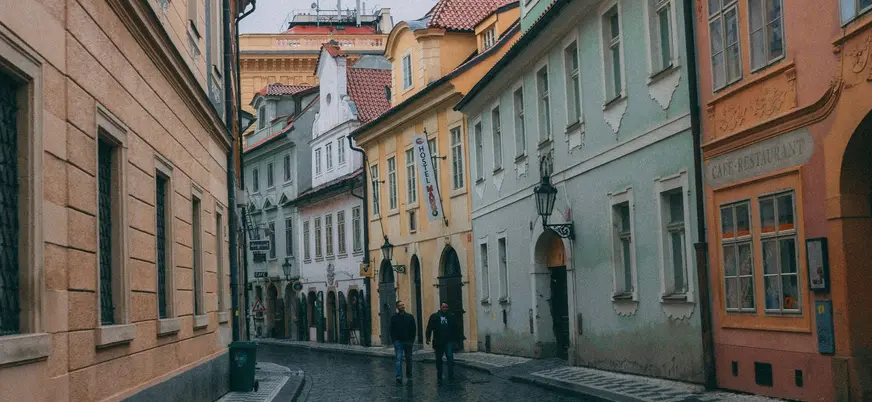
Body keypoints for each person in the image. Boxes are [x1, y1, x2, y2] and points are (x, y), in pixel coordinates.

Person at [426, 302, 464, 382]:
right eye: (443, 307)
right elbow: (429, 327)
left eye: (446, 307)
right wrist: (428, 337)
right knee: (439, 359)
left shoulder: (451, 316)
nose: (445, 308)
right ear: (440, 307)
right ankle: (439, 375)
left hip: (448, 341)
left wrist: (459, 338)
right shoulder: (435, 316)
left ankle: (451, 375)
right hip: (438, 341)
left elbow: (456, 328)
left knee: (450, 358)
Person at [390, 300, 416, 384]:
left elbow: (413, 329)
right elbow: (391, 330)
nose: (402, 306)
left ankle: (409, 375)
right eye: (400, 305)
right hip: (398, 341)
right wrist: (394, 340)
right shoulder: (394, 318)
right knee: (398, 358)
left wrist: (412, 340)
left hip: (408, 341)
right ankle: (399, 376)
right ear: (397, 307)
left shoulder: (410, 317)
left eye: (403, 305)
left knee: (409, 359)